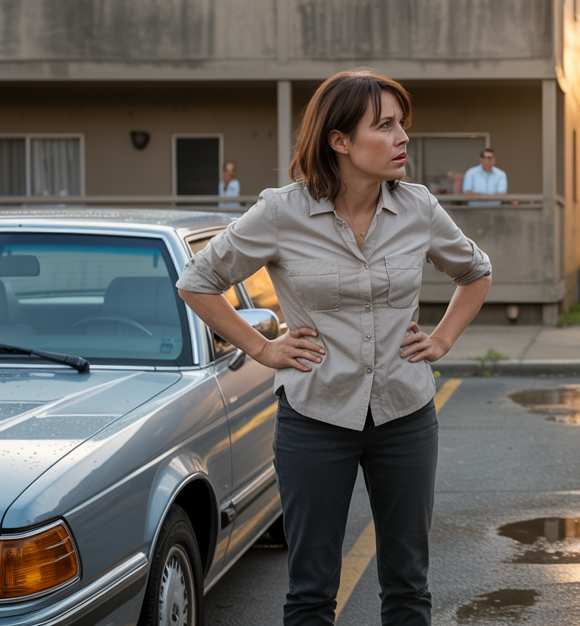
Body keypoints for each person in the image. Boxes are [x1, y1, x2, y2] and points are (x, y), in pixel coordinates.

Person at [177, 69, 491, 625]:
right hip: (314, 417)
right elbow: (197, 282)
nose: (403, 139)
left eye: (403, 125)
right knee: (312, 592)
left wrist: (441, 338)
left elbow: (476, 272)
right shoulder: (281, 212)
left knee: (408, 588)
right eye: (385, 126)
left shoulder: (418, 207)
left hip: (406, 414)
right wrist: (264, 348)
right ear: (339, 140)